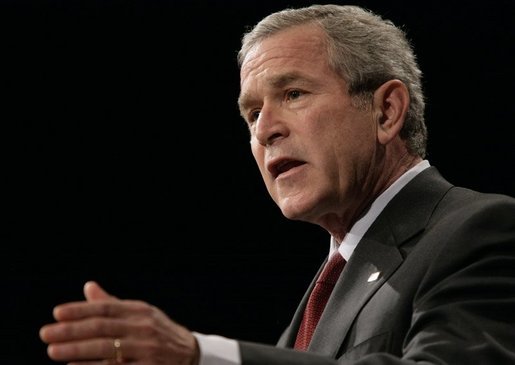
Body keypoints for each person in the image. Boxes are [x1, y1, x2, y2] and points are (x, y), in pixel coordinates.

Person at [39, 4, 515, 365]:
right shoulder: (329, 282)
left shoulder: (482, 230)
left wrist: (200, 355)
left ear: (386, 111)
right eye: (252, 113)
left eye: (293, 94)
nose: (266, 128)